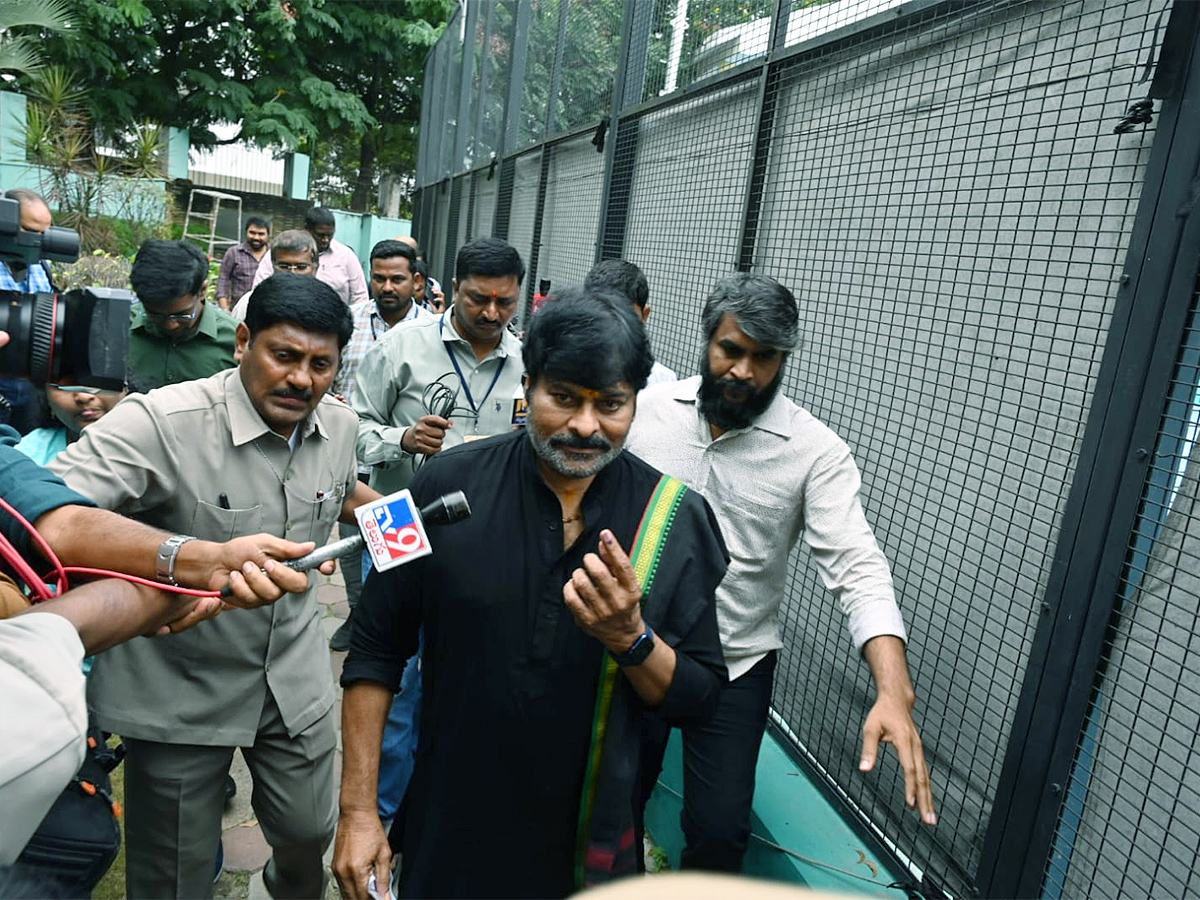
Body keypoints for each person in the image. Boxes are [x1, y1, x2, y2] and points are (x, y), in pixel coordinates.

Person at [333, 288, 730, 900]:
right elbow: (374, 649)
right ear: (530, 383)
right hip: (449, 819)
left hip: (584, 843)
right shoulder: (439, 481)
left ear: (635, 403)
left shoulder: (679, 520)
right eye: (563, 398)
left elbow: (698, 699)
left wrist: (632, 639)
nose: (584, 426)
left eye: (611, 404)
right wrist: (360, 813)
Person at [48, 274, 381, 899]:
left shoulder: (337, 425)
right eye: (284, 356)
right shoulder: (161, 422)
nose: (302, 380)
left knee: (310, 834)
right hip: (180, 688)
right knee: (173, 873)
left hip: (292, 678)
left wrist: (410, 527)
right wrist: (181, 556)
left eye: (321, 365)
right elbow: (45, 515)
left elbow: (340, 496)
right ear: (243, 342)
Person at [627, 273, 938, 876]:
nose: (743, 371)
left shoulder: (816, 451)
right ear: (706, 341)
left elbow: (858, 566)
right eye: (731, 351)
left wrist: (894, 690)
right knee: (614, 804)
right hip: (637, 646)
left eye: (763, 357)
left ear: (784, 358)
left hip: (734, 665)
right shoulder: (645, 412)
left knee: (719, 835)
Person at [349, 236, 526, 826]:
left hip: (485, 538)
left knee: (462, 674)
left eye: (505, 302)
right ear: (451, 289)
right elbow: (346, 427)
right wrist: (399, 439)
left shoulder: (528, 364)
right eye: (479, 299)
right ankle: (379, 818)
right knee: (393, 677)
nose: (492, 313)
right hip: (397, 518)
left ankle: (439, 811)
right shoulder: (400, 347)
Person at [328, 239, 429, 653]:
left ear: (417, 282)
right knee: (352, 548)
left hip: (399, 464)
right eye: (379, 277)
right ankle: (359, 614)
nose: (387, 287)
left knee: (393, 544)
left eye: (397, 279)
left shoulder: (431, 335)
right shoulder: (347, 323)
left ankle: (386, 625)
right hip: (347, 457)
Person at [127, 239, 238, 391]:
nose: (171, 325)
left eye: (182, 315)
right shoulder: (120, 329)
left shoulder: (235, 341)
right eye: (155, 315)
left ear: (202, 291)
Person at [0, 189, 56, 434]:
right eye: (31, 232)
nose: (39, 241)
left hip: (31, 385)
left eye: (45, 234)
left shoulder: (42, 265)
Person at [585, 259, 677, 386]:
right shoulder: (562, 372)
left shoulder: (664, 382)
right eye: (604, 316)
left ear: (645, 316)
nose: (614, 327)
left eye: (627, 317)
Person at [254, 207, 368, 306]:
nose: (325, 240)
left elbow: (360, 297)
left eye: (330, 235)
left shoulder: (346, 256)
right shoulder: (281, 253)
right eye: (320, 235)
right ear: (307, 229)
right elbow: (259, 289)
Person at [16, 380, 126, 465]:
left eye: (99, 381)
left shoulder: (142, 442)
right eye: (64, 385)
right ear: (46, 397)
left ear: (126, 388)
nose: (84, 396)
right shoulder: (25, 456)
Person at [232, 229, 320, 320]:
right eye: (284, 266)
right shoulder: (249, 303)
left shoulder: (325, 304)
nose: (292, 273)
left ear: (315, 268)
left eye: (301, 267)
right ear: (273, 266)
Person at [215, 217, 271, 311]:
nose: (256, 237)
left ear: (268, 235)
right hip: (238, 309)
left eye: (261, 234)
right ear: (246, 232)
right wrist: (224, 308)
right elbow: (223, 280)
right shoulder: (234, 252)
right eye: (252, 233)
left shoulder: (273, 254)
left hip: (267, 310)